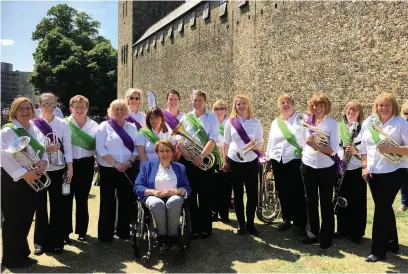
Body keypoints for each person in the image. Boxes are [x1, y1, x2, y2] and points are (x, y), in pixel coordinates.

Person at [360, 92, 408, 262]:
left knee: (381, 208)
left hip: (395, 171)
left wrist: (391, 149)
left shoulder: (400, 123)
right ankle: (392, 242)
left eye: (387, 105)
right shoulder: (370, 122)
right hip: (374, 171)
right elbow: (364, 145)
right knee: (385, 207)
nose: (384, 108)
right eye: (381, 105)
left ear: (393, 106)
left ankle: (378, 251)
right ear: (376, 107)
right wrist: (364, 166)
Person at [1, 97, 48, 268]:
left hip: (33, 176)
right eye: (21, 108)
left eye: (28, 107)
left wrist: (43, 161)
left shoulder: (34, 127)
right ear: (14, 111)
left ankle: (22, 254)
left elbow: (42, 147)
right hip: (13, 180)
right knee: (14, 219)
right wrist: (24, 173)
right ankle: (10, 259)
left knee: (26, 218)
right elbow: (4, 157)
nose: (26, 111)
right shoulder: (8, 131)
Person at [177, 90, 222, 239]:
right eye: (194, 100)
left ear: (205, 101)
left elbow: (213, 139)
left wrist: (201, 156)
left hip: (205, 161)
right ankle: (193, 227)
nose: (197, 103)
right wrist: (184, 153)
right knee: (190, 195)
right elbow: (179, 140)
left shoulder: (212, 118)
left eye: (200, 100)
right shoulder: (186, 117)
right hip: (188, 161)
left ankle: (205, 228)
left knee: (205, 195)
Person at [33, 93, 73, 255]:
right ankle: (40, 242)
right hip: (40, 170)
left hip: (58, 169)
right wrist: (45, 149)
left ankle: (57, 241)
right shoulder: (32, 124)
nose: (49, 107)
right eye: (46, 104)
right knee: (40, 207)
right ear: (40, 105)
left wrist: (70, 168)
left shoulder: (63, 124)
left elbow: (68, 148)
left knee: (58, 207)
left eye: (52, 104)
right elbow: (28, 148)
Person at [134, 140, 192, 250]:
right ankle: (161, 236)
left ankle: (173, 236)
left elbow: (187, 187)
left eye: (167, 150)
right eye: (161, 151)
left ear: (172, 152)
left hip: (173, 196)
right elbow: (138, 187)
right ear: (157, 153)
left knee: (174, 201)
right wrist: (153, 192)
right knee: (157, 203)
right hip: (153, 196)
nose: (165, 154)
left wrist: (179, 191)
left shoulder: (180, 168)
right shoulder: (147, 166)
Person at [95, 99, 139, 242]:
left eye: (122, 109)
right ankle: (105, 234)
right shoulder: (104, 126)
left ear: (127, 111)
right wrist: (114, 164)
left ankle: (123, 231)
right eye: (116, 109)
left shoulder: (132, 127)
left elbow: (137, 149)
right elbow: (100, 148)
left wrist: (128, 162)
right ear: (111, 111)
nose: (119, 112)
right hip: (108, 169)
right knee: (107, 201)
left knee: (126, 200)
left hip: (127, 168)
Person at [301, 93, 339, 249]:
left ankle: (326, 237)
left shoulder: (332, 124)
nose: (318, 108)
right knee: (310, 201)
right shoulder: (307, 122)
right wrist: (309, 147)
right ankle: (312, 233)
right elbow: (304, 143)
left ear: (326, 107)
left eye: (322, 105)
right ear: (312, 106)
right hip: (308, 165)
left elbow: (334, 150)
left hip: (326, 167)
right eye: (315, 105)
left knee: (326, 203)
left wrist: (316, 146)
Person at [265, 94, 307, 235]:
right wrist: (268, 157)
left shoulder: (301, 119)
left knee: (298, 192)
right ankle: (286, 219)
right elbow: (271, 141)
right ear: (279, 106)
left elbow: (307, 138)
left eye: (288, 102)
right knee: (282, 191)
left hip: (295, 159)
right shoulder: (275, 122)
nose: (285, 105)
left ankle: (300, 222)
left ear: (293, 104)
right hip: (278, 160)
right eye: (282, 102)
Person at [223, 94, 264, 236]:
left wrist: (253, 146)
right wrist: (224, 160)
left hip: (251, 162)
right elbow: (226, 142)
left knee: (252, 194)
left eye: (243, 103)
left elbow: (260, 142)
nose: (241, 106)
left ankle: (251, 224)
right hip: (235, 161)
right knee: (238, 194)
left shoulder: (255, 122)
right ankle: (241, 224)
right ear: (235, 106)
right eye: (238, 104)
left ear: (248, 104)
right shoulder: (230, 122)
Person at [64, 95, 99, 242]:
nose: (79, 110)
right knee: (66, 198)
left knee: (82, 199)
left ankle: (82, 231)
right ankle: (64, 232)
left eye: (82, 107)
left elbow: (98, 147)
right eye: (76, 107)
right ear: (71, 108)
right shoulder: (64, 124)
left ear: (86, 109)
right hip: (66, 166)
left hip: (86, 165)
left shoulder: (95, 126)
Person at [335, 100, 366, 244]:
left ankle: (356, 232)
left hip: (356, 170)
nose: (351, 112)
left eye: (355, 110)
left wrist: (355, 151)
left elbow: (369, 152)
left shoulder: (363, 129)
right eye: (349, 109)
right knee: (342, 200)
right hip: (342, 170)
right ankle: (342, 230)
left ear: (359, 113)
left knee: (357, 201)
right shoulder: (339, 127)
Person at [211, 99, 232, 223]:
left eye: (222, 108)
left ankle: (224, 214)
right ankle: (213, 213)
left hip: (226, 158)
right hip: (212, 157)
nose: (219, 111)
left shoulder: (230, 123)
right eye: (217, 108)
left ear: (226, 110)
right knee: (212, 186)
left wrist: (225, 152)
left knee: (225, 187)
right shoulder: (210, 122)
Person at [397, 100, 408, 212]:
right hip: (405, 156)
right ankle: (404, 203)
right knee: (404, 181)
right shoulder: (402, 124)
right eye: (406, 113)